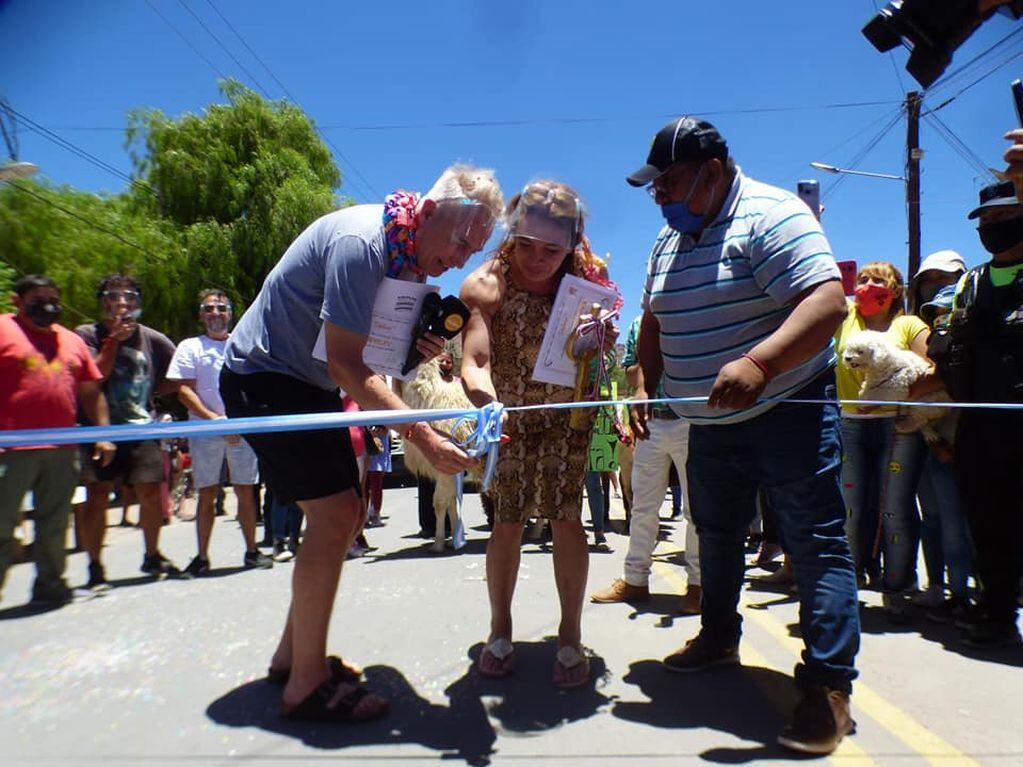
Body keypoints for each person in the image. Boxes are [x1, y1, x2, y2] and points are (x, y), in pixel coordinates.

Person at [221, 164, 502, 721]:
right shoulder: (362, 244)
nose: (463, 259)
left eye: (476, 247)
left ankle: (292, 658)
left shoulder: (410, 265)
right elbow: (349, 368)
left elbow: (373, 364)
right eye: (460, 241)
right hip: (266, 377)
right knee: (335, 515)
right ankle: (305, 683)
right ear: (425, 214)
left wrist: (410, 354)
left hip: (309, 380)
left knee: (344, 518)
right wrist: (423, 436)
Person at [626, 116, 858, 754]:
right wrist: (643, 381)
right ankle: (718, 635)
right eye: (655, 188)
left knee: (814, 543)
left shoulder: (771, 215)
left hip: (790, 411)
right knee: (718, 534)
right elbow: (652, 323)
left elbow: (827, 303)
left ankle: (829, 688)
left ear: (714, 172)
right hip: (710, 425)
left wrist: (761, 363)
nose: (661, 197)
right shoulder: (664, 244)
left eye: (670, 183)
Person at [461, 179, 619, 689]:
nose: (535, 259)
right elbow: (476, 358)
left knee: (566, 519)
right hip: (507, 418)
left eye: (551, 250)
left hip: (567, 420)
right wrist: (486, 400)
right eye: (525, 245)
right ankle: (499, 628)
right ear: (511, 234)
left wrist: (602, 341)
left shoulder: (590, 285)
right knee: (505, 522)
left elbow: (601, 359)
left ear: (572, 244)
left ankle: (570, 634)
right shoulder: (487, 282)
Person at [928, 178, 1023, 648]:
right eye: (986, 218)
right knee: (987, 524)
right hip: (980, 425)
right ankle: (996, 613)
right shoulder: (970, 283)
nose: (991, 226)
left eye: (1003, 216)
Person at [0, 275, 115, 604]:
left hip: (62, 451)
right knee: (2, 524)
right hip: (10, 450)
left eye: (54, 299)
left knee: (54, 522)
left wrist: (104, 435)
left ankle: (51, 586)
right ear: (17, 301)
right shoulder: (3, 329)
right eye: (38, 299)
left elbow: (91, 392)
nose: (48, 305)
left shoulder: (71, 340)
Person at [834, 262, 931, 615]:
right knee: (851, 509)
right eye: (862, 279)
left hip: (898, 426)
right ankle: (848, 581)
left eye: (878, 280)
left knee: (895, 510)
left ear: (895, 290)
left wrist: (894, 397)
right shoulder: (844, 317)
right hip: (849, 424)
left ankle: (899, 586)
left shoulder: (909, 324)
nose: (868, 285)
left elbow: (932, 368)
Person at [590, 314, 702, 615]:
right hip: (651, 423)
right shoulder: (639, 323)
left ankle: (698, 585)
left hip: (691, 422)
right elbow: (628, 365)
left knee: (696, 508)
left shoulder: (691, 315)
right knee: (642, 506)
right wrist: (644, 377)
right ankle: (635, 580)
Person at [76, 274, 182, 587]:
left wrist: (153, 394)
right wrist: (112, 342)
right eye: (113, 296)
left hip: (141, 428)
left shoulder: (153, 339)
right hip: (99, 430)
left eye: (129, 296)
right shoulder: (86, 335)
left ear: (137, 302)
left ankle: (152, 555)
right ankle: (95, 566)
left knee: (150, 493)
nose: (121, 302)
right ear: (102, 301)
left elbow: (178, 376)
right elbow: (92, 378)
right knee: (96, 496)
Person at [165, 289, 272, 576]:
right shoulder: (190, 347)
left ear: (230, 313)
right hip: (206, 430)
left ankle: (251, 551)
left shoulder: (242, 344)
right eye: (209, 308)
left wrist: (237, 422)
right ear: (201, 315)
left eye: (221, 308)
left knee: (245, 490)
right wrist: (216, 421)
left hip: (239, 429)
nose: (215, 313)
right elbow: (184, 390)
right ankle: (201, 557)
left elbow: (254, 385)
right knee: (207, 492)